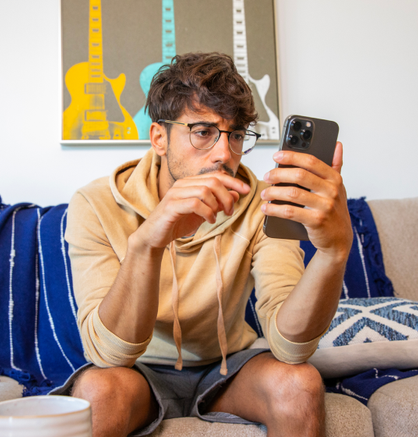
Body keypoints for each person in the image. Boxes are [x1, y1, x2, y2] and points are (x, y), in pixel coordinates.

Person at [51, 52, 352, 437]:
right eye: (203, 132)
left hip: (230, 368)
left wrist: (333, 252)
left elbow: (291, 349)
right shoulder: (95, 203)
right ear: (159, 137)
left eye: (237, 135)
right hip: (136, 371)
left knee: (300, 383)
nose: (224, 154)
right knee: (97, 389)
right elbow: (107, 354)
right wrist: (149, 242)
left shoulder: (264, 203)